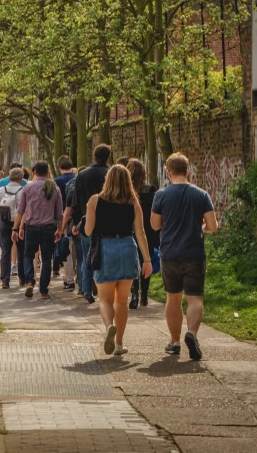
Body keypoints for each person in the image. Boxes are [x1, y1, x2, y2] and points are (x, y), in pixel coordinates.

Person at [151, 152, 217, 360]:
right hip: (194, 253)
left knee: (173, 298)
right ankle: (193, 334)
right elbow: (213, 226)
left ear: (169, 172)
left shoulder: (161, 196)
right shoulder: (201, 194)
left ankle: (175, 341)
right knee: (195, 297)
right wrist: (201, 228)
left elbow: (154, 225)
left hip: (170, 254)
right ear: (188, 171)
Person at [84, 164, 153, 355]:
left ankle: (108, 327)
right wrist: (147, 260)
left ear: (108, 179)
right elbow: (141, 234)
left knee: (105, 300)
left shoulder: (95, 201)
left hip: (105, 249)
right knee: (122, 301)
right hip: (128, 248)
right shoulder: (134, 203)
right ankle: (119, 344)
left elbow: (88, 231)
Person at [13, 161, 64, 298]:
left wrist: (16, 228)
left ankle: (29, 281)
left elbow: (20, 210)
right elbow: (59, 214)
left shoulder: (27, 188)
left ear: (34, 172)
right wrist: (59, 230)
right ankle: (43, 290)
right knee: (47, 258)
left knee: (28, 255)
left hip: (32, 227)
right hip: (48, 228)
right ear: (48, 172)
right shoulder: (54, 188)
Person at [70, 144, 112, 303]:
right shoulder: (111, 174)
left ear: (94, 156)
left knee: (87, 257)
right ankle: (104, 290)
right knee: (106, 257)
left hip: (86, 221)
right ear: (108, 156)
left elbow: (76, 199)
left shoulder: (83, 175)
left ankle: (86, 289)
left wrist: (75, 222)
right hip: (108, 223)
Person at [127, 158, 158, 308]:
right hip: (148, 230)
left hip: (131, 229)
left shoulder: (126, 192)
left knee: (134, 263)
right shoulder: (150, 190)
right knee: (146, 261)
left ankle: (134, 293)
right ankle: (144, 294)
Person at [0, 167, 25, 288]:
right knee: (21, 250)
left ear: (9, 177)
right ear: (21, 178)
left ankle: (5, 280)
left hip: (4, 223)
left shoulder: (0, 190)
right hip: (20, 224)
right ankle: (22, 278)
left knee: (5, 251)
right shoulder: (23, 191)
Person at [54, 156, 77, 290]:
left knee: (66, 251)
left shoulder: (56, 182)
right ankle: (78, 278)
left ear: (59, 167)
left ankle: (69, 280)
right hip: (78, 219)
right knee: (77, 253)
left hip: (63, 218)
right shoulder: (78, 178)